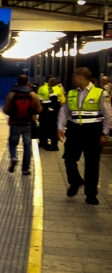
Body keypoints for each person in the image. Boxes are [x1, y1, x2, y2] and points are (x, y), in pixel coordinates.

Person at [57, 67, 111, 205]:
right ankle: (75, 181)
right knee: (69, 158)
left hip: (93, 131)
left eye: (74, 76)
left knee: (92, 164)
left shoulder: (101, 93)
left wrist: (105, 133)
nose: (73, 79)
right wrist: (60, 127)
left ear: (81, 77)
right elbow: (64, 111)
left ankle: (91, 194)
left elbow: (108, 115)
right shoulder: (72, 93)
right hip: (74, 130)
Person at [3, 75, 42, 175]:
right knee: (27, 146)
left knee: (12, 142)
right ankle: (25, 169)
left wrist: (13, 115)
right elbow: (39, 109)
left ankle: (14, 157)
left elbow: (5, 109)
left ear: (17, 82)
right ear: (28, 83)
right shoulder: (32, 94)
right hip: (28, 124)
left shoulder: (12, 93)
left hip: (15, 123)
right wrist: (32, 113)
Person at [37, 76, 63, 151]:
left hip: (45, 110)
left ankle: (43, 142)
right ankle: (53, 143)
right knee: (53, 127)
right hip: (56, 111)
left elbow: (40, 100)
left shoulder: (43, 88)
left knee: (43, 127)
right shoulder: (59, 88)